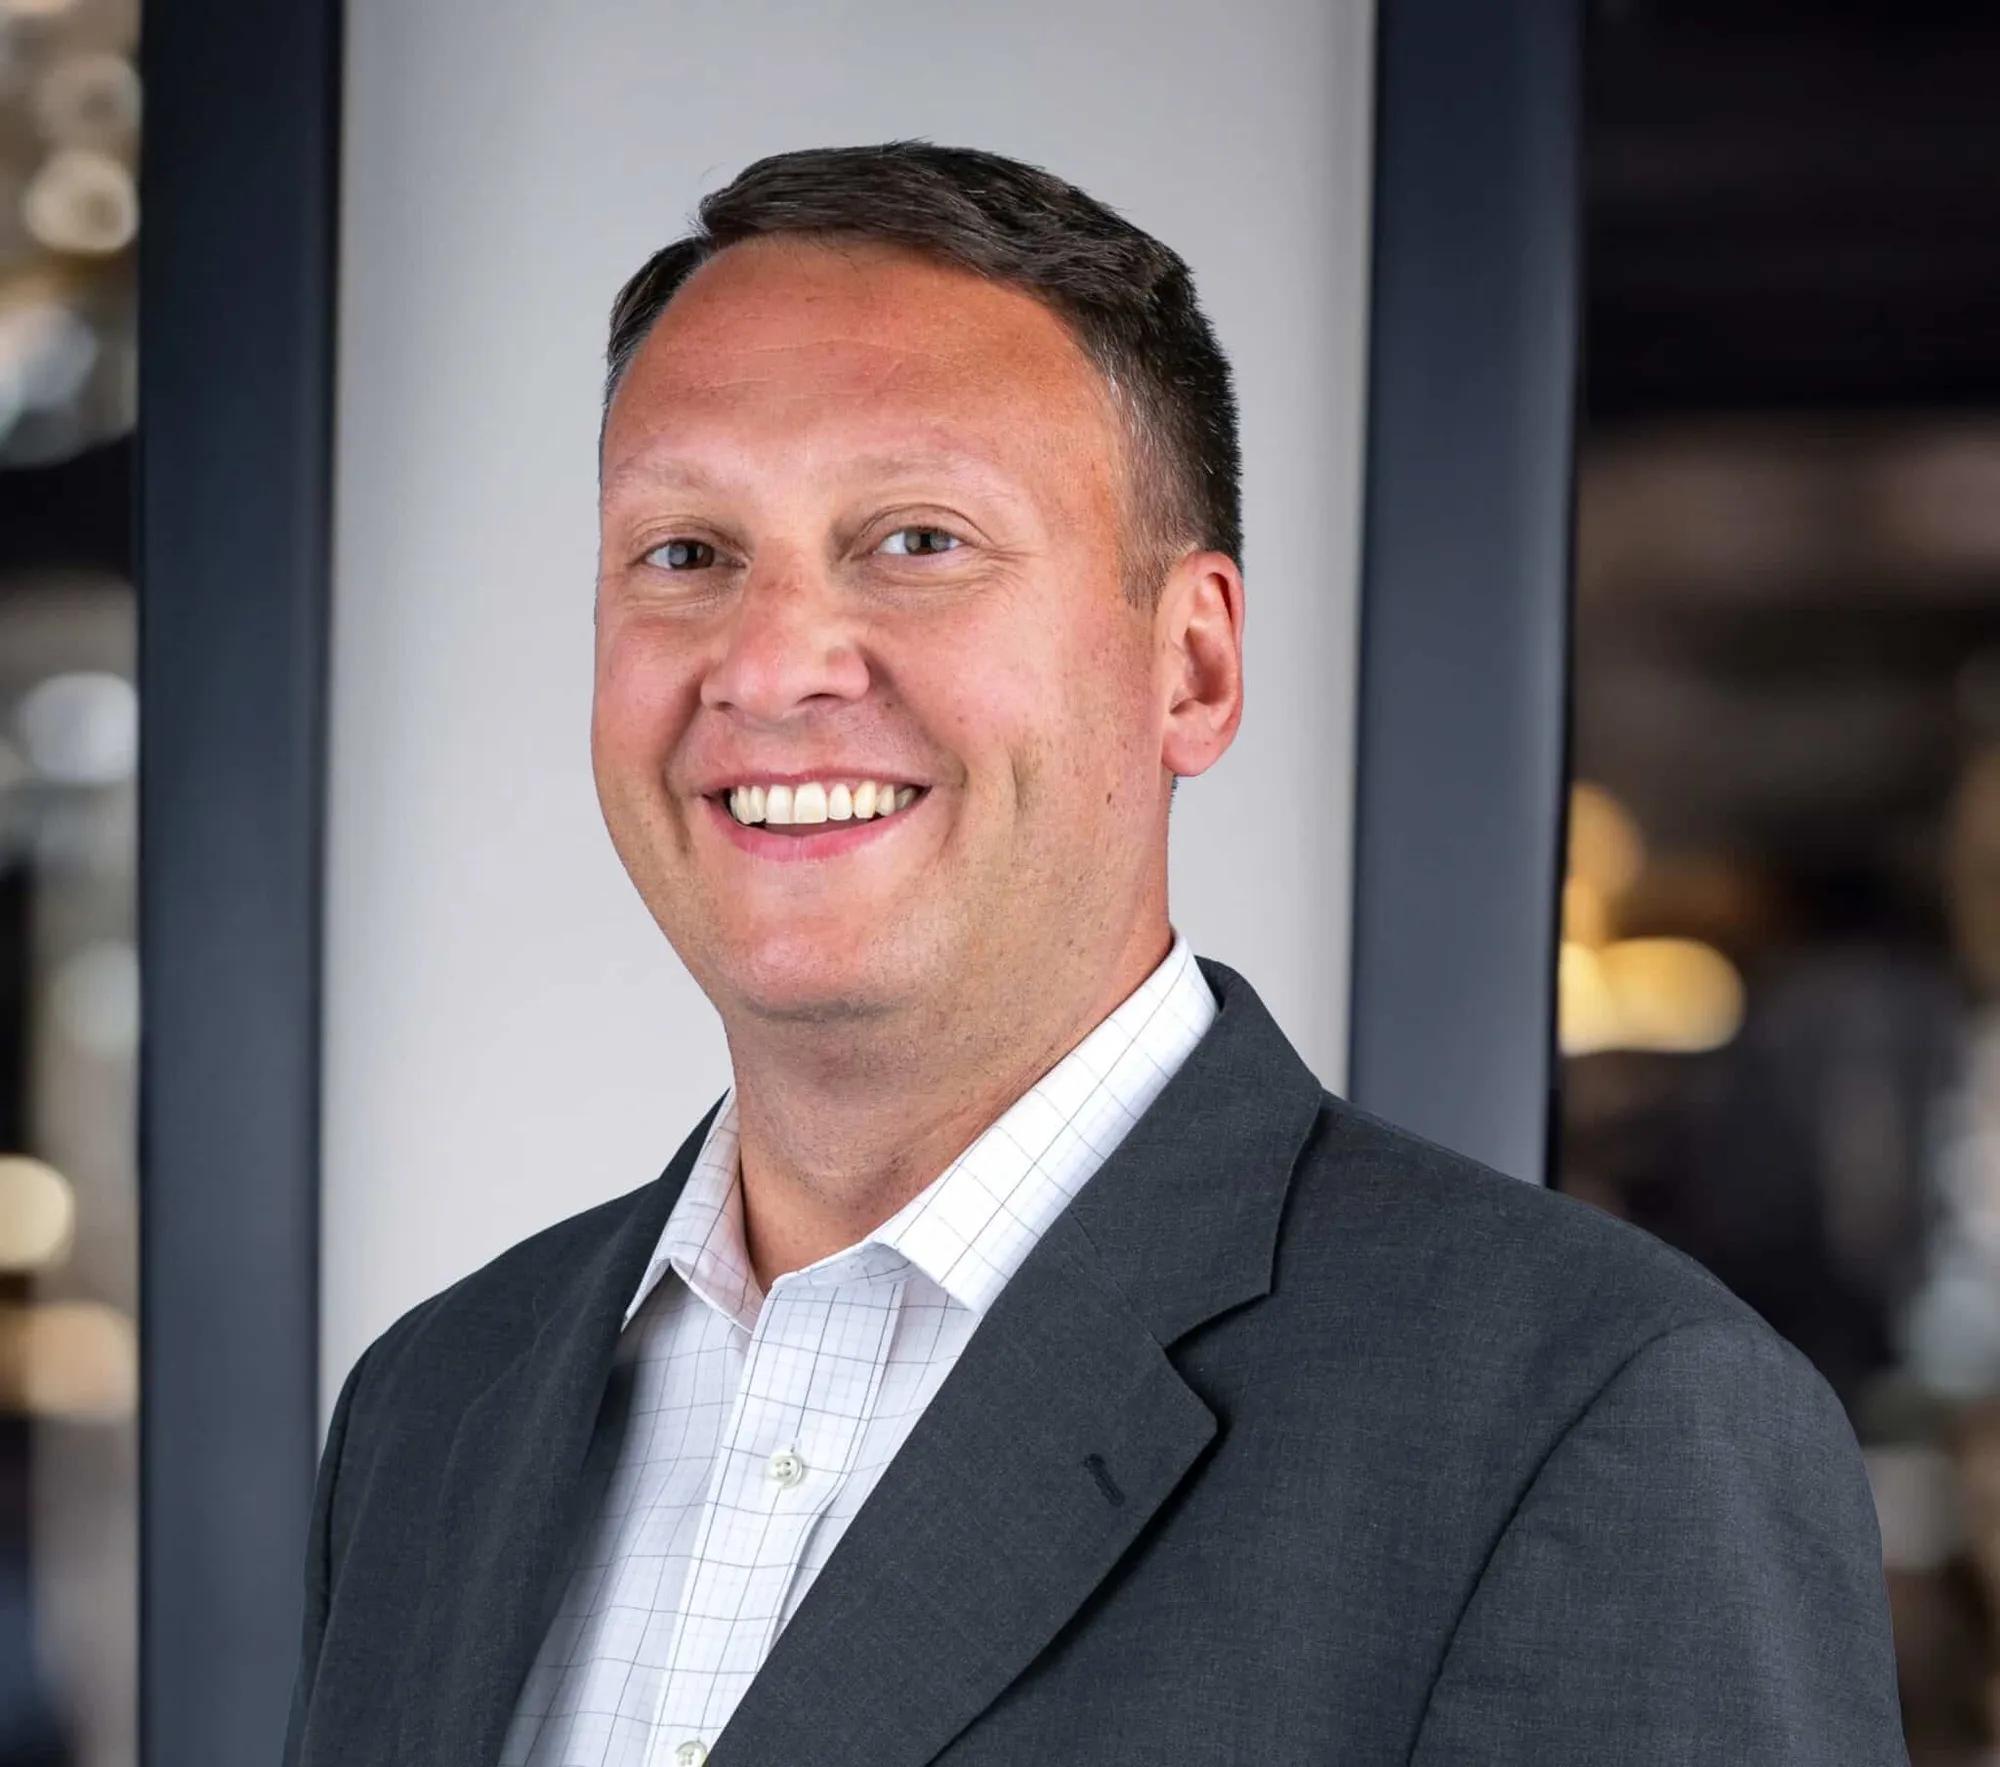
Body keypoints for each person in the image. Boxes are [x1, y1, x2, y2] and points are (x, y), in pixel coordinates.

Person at [280, 142, 1907, 1766]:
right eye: (686, 553)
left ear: (1191, 667)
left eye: (918, 540)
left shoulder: (1592, 1416)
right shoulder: (435, 1410)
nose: (769, 665)